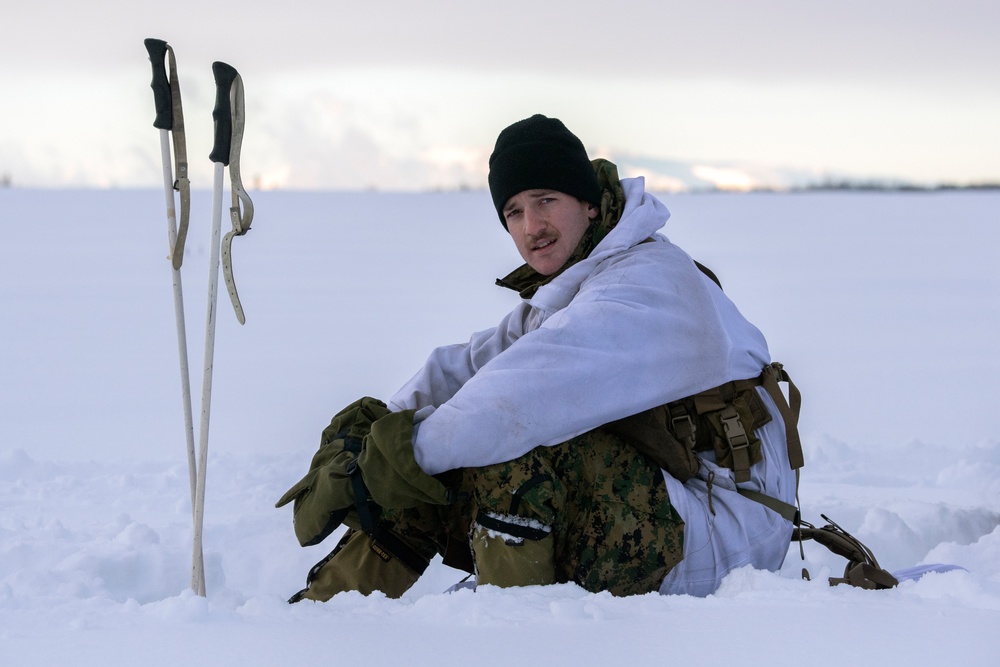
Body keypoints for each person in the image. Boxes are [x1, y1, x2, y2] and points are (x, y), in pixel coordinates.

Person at [278, 114, 801, 601]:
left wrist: (382, 462)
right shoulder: (581, 280)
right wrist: (380, 428)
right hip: (677, 502)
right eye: (513, 211)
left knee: (500, 449)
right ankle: (323, 621)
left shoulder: (646, 286)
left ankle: (517, 633)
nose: (531, 226)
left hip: (729, 535)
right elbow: (474, 364)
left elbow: (508, 403)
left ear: (590, 203)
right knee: (433, 456)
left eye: (545, 200)